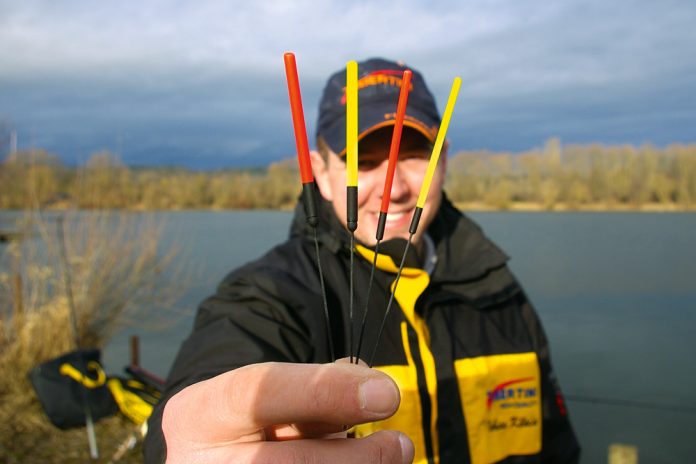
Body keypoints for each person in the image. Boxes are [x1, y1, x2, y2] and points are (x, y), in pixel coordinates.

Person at [143, 58, 580, 463]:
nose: (393, 188)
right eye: (363, 162)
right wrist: (188, 435)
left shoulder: (497, 288)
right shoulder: (271, 293)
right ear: (321, 173)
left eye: (410, 156)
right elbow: (211, 375)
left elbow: (558, 445)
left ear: (442, 161)